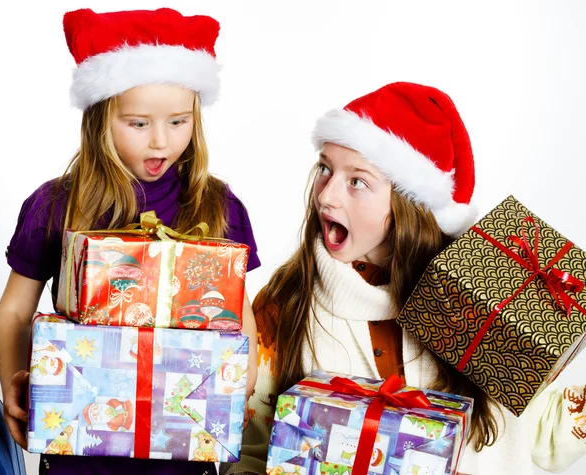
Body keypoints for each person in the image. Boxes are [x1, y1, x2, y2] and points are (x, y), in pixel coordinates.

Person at [221, 82, 586, 475]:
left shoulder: (479, 297)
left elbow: (546, 437)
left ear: (409, 202)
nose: (326, 197)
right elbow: (248, 449)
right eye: (325, 168)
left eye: (357, 181)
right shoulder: (287, 301)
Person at [0, 8, 260, 475]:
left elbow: (242, 319)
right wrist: (21, 392)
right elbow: (15, 310)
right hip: (79, 447)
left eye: (179, 122)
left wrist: (235, 391)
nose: (161, 141)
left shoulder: (217, 205)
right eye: (138, 124)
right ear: (100, 118)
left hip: (183, 448)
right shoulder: (56, 204)